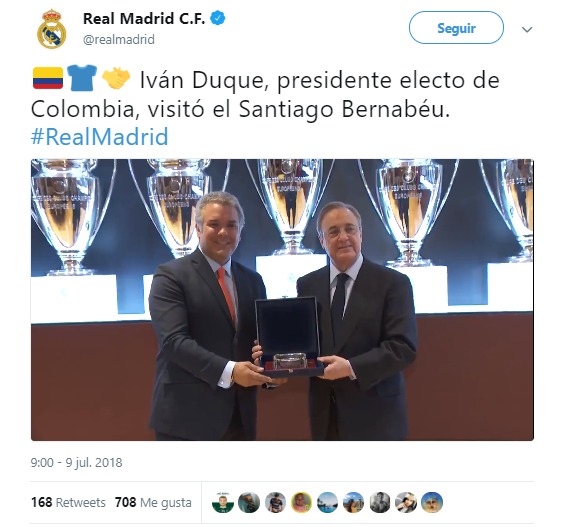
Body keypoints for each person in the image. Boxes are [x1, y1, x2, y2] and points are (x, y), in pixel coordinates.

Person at [253, 201, 417, 440]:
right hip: (326, 418)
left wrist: (351, 368)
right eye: (333, 231)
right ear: (322, 240)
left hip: (378, 419)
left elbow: (403, 348)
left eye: (350, 229)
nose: (343, 237)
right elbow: (303, 346)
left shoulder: (394, 283)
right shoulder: (307, 284)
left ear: (361, 234)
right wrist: (274, 366)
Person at [148, 191, 278, 441]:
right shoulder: (170, 276)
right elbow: (174, 342)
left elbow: (259, 342)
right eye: (214, 224)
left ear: (240, 231)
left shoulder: (253, 280)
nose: (223, 233)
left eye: (231, 225)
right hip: (185, 419)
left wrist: (273, 372)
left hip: (240, 418)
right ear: (197, 228)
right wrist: (231, 371)